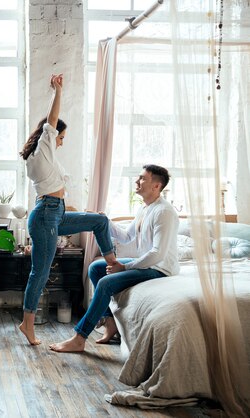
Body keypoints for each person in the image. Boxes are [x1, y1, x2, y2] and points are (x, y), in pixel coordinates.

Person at [19, 74, 118, 345]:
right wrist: (58, 92)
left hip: (55, 212)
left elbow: (57, 192)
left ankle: (113, 264)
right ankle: (27, 324)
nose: (61, 141)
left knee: (99, 220)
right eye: (61, 137)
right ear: (50, 137)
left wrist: (72, 209)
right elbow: (51, 123)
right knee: (39, 271)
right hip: (46, 216)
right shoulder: (43, 149)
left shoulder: (44, 158)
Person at [49, 164, 179, 352]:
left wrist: (125, 268)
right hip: (147, 263)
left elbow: (157, 254)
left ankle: (79, 337)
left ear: (156, 186)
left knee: (106, 283)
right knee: (96, 268)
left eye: (142, 178)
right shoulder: (145, 208)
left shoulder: (164, 212)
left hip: (159, 269)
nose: (137, 181)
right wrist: (105, 221)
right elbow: (126, 236)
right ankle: (110, 324)